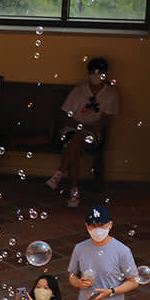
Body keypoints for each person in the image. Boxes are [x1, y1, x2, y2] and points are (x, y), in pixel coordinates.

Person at [45, 58, 118, 209]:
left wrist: (89, 127)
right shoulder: (78, 91)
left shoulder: (111, 93)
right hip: (72, 129)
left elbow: (106, 120)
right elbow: (64, 115)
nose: (96, 75)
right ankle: (74, 191)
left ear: (105, 74)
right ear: (88, 73)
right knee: (76, 143)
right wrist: (80, 126)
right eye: (93, 72)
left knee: (74, 143)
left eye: (99, 72)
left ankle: (60, 174)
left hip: (93, 133)